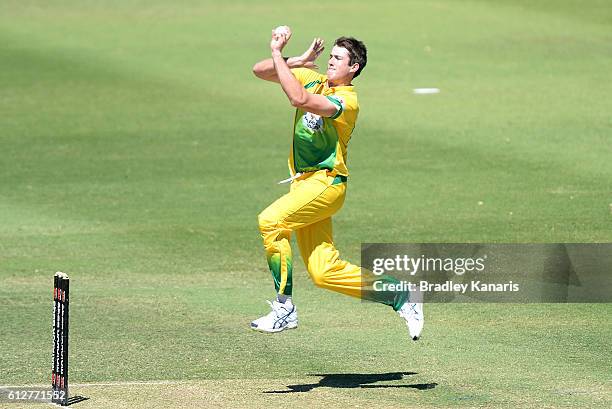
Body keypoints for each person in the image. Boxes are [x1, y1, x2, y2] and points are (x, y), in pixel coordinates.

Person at [250, 27, 424, 340]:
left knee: (271, 221)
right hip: (303, 186)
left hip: (326, 183)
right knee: (323, 271)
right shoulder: (315, 78)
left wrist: (279, 54)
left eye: (338, 58)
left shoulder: (347, 100)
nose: (330, 61)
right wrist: (296, 60)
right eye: (329, 56)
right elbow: (260, 71)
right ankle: (399, 294)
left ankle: (284, 307)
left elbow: (297, 98)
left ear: (353, 67)